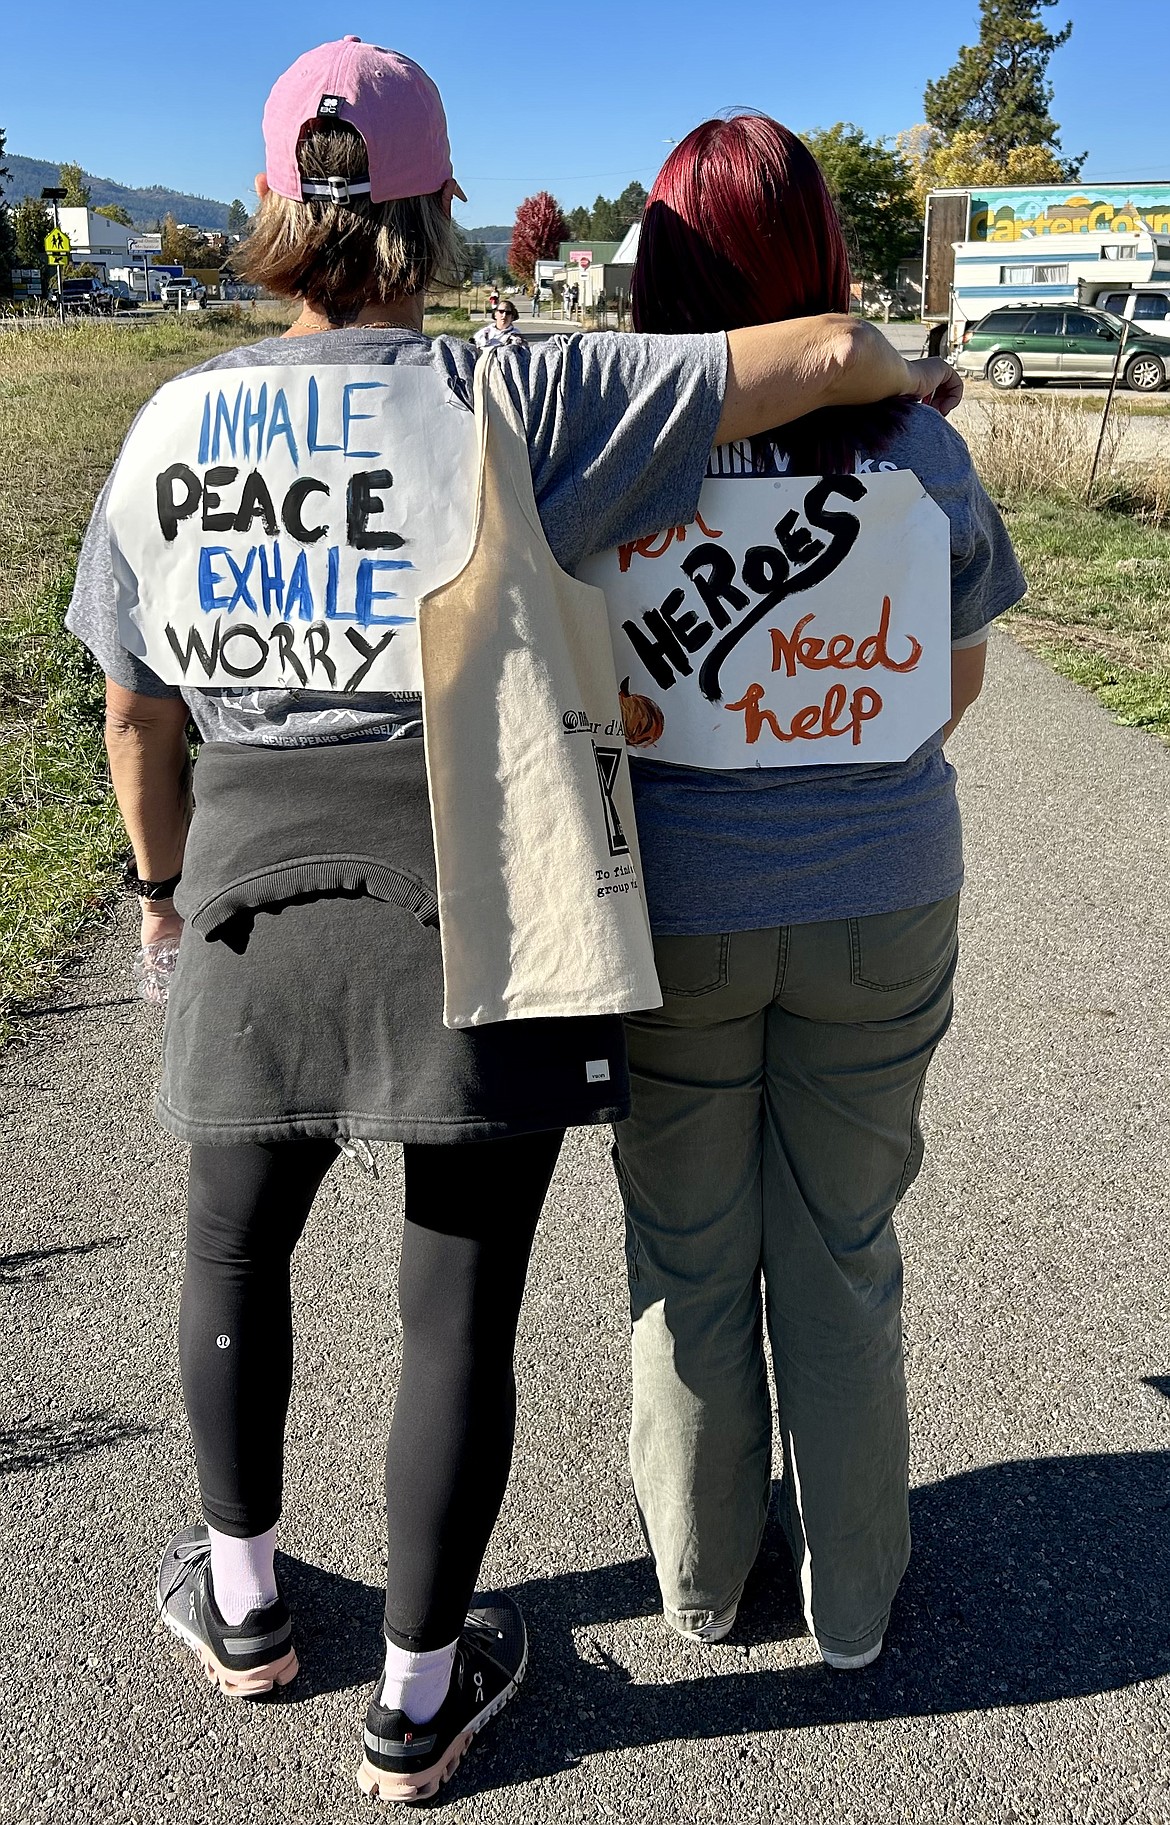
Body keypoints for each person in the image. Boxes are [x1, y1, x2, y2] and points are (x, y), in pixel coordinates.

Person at [65, 42, 957, 1805]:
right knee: (451, 1302)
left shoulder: (168, 423)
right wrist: (885, 360)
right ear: (430, 206)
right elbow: (813, 363)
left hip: (242, 878)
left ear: (267, 206)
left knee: (231, 1248)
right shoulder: (510, 396)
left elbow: (131, 710)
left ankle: (242, 1602)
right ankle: (415, 1692)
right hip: (469, 893)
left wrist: (163, 895)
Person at [610, 116, 1024, 1668]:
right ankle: (850, 1597)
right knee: (840, 1250)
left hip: (673, 907)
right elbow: (951, 677)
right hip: (880, 891)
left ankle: (702, 1581)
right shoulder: (917, 447)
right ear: (826, 268)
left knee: (687, 1253)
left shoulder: (614, 448)